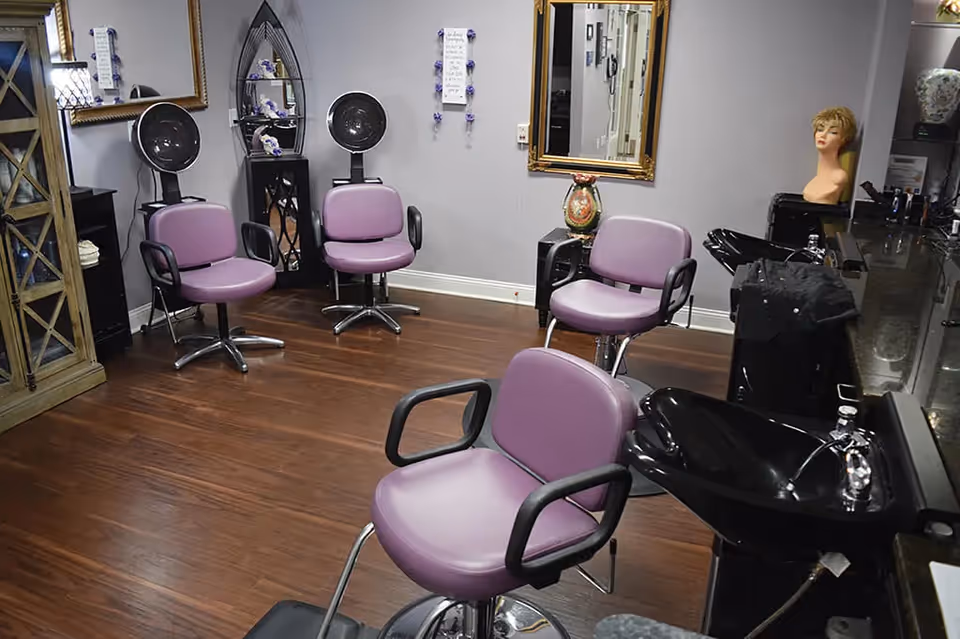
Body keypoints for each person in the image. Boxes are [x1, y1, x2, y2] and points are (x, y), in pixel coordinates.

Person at [803, 106, 857, 205]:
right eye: (820, 129)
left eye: (833, 132)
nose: (823, 135)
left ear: (844, 140)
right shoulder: (819, 177)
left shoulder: (838, 179)